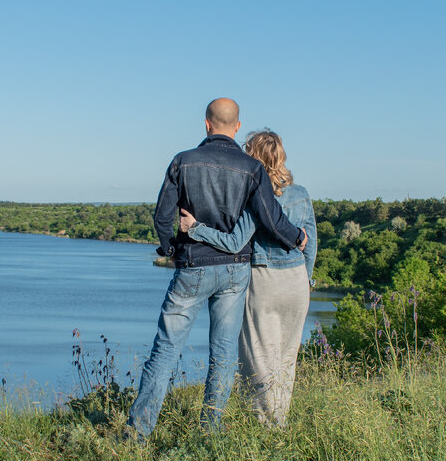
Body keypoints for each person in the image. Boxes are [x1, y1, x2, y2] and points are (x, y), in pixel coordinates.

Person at [127, 99, 307, 440]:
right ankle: (209, 433)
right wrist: (297, 237)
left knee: (166, 348)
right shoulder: (251, 169)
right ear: (237, 126)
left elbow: (163, 217)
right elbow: (271, 218)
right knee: (223, 355)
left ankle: (138, 433)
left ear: (206, 124)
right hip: (235, 271)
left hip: (193, 266)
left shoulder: (182, 161)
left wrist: (172, 249)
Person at [177, 130, 317, 428]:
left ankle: (266, 431)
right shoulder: (302, 193)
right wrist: (306, 280)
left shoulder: (254, 195)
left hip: (264, 282)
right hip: (296, 282)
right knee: (286, 360)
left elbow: (233, 242)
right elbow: (311, 243)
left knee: (259, 361)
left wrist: (195, 228)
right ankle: (280, 423)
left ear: (252, 157)